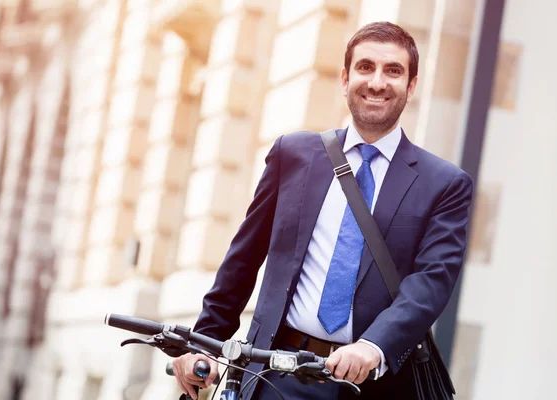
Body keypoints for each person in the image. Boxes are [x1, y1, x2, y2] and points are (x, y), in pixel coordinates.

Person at [172, 21, 473, 399]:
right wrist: (206, 341)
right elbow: (243, 259)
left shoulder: (444, 183)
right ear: (345, 78)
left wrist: (374, 346)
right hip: (274, 375)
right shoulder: (293, 154)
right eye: (365, 67)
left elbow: (430, 283)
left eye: (393, 71)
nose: (377, 82)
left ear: (411, 86)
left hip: (372, 386)